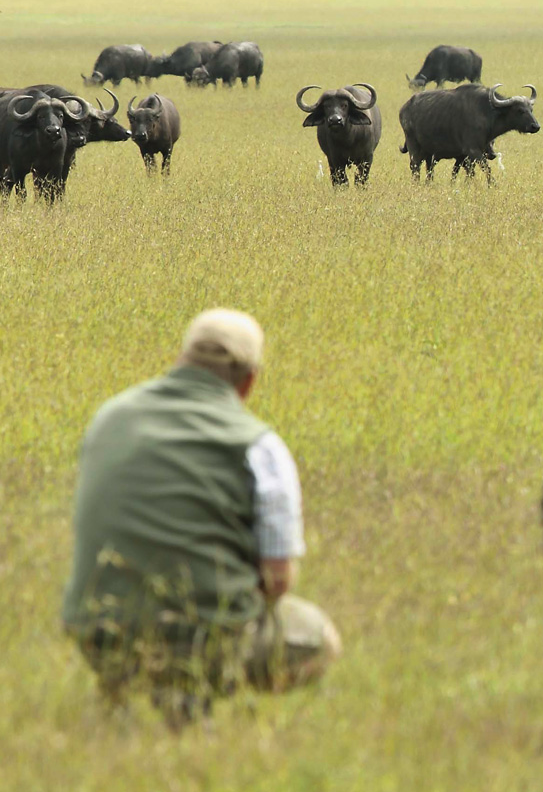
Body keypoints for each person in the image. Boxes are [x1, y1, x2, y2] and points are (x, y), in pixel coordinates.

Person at [61, 309, 342, 725]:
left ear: (181, 360)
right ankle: (195, 708)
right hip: (202, 640)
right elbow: (278, 580)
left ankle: (120, 709)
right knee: (320, 640)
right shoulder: (260, 448)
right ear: (249, 382)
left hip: (96, 632)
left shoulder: (110, 418)